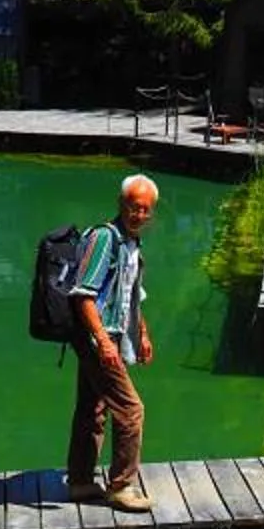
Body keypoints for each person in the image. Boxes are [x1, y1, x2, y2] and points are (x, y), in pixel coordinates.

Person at [65, 173, 157, 511]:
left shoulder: (131, 243)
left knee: (93, 408)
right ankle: (121, 486)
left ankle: (79, 481)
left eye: (146, 210)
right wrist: (103, 343)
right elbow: (83, 295)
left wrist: (142, 333)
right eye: (135, 207)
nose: (140, 215)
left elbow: (132, 294)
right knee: (131, 409)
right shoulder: (105, 238)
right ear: (121, 204)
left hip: (113, 335)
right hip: (96, 337)